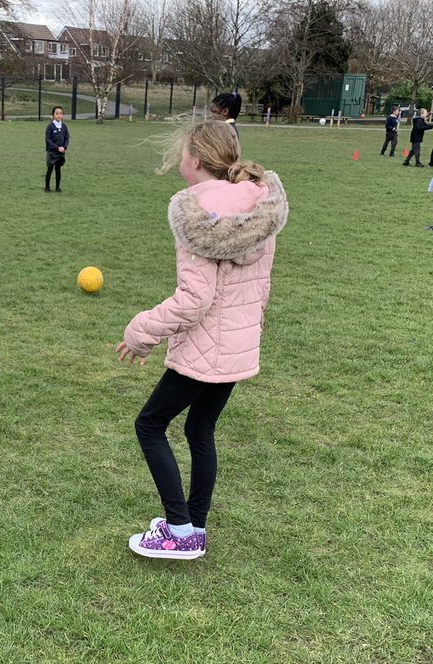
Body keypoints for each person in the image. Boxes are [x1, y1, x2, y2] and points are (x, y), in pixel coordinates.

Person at [116, 121, 288, 560]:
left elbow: (195, 299)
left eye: (181, 154)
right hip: (236, 347)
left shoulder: (198, 217)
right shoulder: (258, 205)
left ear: (194, 160)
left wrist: (141, 332)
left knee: (149, 424)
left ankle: (179, 530)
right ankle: (193, 525)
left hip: (207, 350)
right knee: (199, 428)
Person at [45, 106, 69, 192]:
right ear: (53, 115)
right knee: (50, 169)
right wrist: (57, 147)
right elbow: (48, 140)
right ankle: (47, 187)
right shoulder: (50, 127)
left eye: (61, 113)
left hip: (61, 152)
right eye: (57, 113)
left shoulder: (64, 127)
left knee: (58, 169)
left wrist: (64, 147)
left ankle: (57, 187)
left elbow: (67, 138)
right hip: (52, 152)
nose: (59, 115)